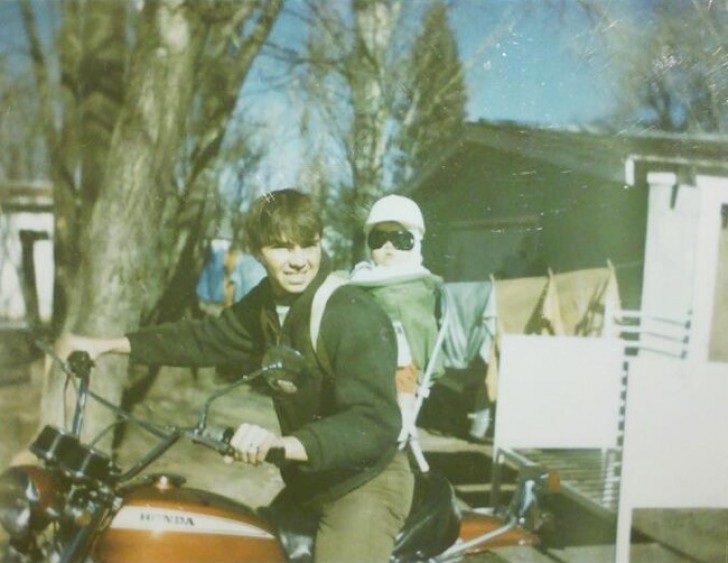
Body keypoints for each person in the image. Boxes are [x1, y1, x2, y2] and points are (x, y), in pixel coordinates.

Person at [61, 189, 414, 563]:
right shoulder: (270, 302)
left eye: (307, 245)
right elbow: (206, 338)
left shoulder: (351, 314)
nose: (297, 261)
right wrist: (106, 345)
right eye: (281, 247)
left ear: (321, 243)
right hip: (312, 484)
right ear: (258, 252)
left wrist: (282, 445)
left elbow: (373, 422)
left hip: (366, 484)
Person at [349, 194, 445, 448]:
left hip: (401, 348)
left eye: (401, 239)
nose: (389, 246)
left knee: (403, 370)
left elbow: (418, 319)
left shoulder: (417, 281)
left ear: (416, 243)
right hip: (363, 349)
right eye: (379, 239)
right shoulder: (362, 276)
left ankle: (404, 415)